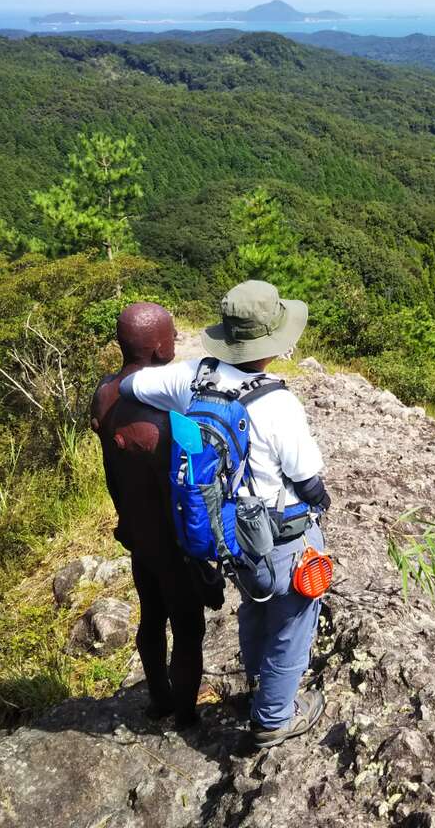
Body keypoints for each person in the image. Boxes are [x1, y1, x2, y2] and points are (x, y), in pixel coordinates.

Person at [119, 280, 331, 748]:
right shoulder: (278, 402)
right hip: (283, 534)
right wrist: (322, 502)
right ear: (272, 341)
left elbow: (131, 384)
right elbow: (307, 478)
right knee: (292, 623)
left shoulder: (193, 376)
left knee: (255, 605)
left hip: (230, 530)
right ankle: (274, 717)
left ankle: (257, 684)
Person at [91, 302, 207, 730]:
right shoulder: (164, 410)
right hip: (172, 538)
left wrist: (123, 518)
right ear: (159, 347)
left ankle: (159, 699)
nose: (175, 339)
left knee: (151, 614)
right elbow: (185, 486)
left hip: (137, 530)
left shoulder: (105, 392)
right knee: (188, 626)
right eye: (171, 334)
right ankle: (186, 715)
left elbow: (111, 468)